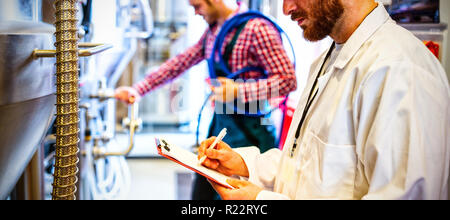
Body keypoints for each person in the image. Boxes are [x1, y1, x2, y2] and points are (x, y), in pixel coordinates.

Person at [198, 0, 450, 200]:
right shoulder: (327, 61)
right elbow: (307, 167)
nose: (286, 8)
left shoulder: (400, 70)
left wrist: (263, 199)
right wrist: (244, 164)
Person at [115, 0, 297, 200]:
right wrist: (138, 90)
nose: (195, 13)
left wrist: (239, 90)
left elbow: (288, 81)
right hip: (222, 124)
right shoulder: (214, 32)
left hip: (254, 128)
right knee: (204, 193)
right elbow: (180, 63)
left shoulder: (257, 28)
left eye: (197, 6)